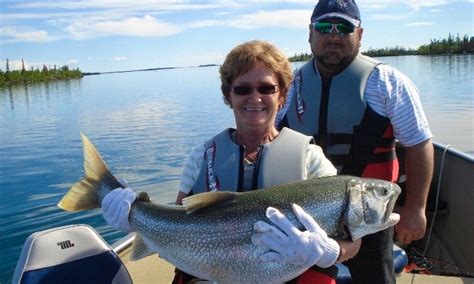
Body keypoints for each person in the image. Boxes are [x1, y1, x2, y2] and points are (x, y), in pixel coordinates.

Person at [101, 40, 361, 283]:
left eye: (267, 88)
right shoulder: (202, 156)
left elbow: (353, 242)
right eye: (243, 89)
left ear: (282, 95)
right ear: (229, 96)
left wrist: (329, 251)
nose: (255, 97)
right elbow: (176, 224)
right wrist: (134, 218)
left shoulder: (310, 158)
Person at [276, 0, 434, 283]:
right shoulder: (289, 86)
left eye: (344, 27)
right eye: (324, 27)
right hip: (305, 217)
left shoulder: (387, 82)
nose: (333, 35)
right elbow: (268, 142)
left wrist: (416, 208)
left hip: (369, 219)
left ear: (359, 34)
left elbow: (419, 143)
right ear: (310, 34)